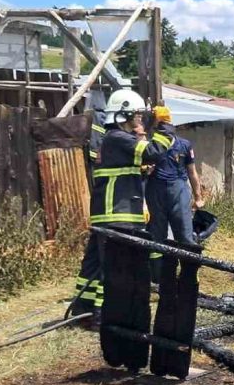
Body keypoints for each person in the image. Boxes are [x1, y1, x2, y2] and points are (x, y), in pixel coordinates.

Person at [71, 90, 176, 318]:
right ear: (123, 114)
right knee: (114, 267)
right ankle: (103, 315)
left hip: (108, 213)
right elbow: (153, 151)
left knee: (94, 265)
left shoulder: (113, 140)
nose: (140, 119)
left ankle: (84, 307)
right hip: (116, 214)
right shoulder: (118, 138)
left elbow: (136, 162)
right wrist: (165, 125)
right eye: (137, 115)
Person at [146, 106, 204, 272]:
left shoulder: (184, 145)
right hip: (155, 190)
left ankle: (189, 275)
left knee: (184, 233)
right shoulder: (150, 147)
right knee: (157, 234)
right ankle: (158, 276)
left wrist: (198, 197)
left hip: (178, 190)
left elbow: (192, 172)